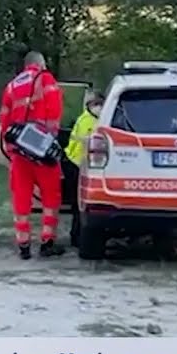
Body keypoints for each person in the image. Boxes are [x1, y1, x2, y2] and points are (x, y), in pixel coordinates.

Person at [0, 51, 65, 259]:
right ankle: (47, 242)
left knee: (21, 197)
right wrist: (50, 139)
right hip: (42, 150)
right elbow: (55, 109)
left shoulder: (12, 85)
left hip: (20, 151)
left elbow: (4, 120)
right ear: (41, 64)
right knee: (51, 196)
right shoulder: (46, 80)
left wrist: (11, 150)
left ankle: (23, 245)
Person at [63, 89, 103, 247]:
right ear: (92, 105)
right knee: (79, 205)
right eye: (98, 105)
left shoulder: (88, 118)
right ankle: (76, 238)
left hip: (78, 164)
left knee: (78, 206)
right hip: (77, 165)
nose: (100, 108)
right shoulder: (89, 121)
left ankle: (76, 236)